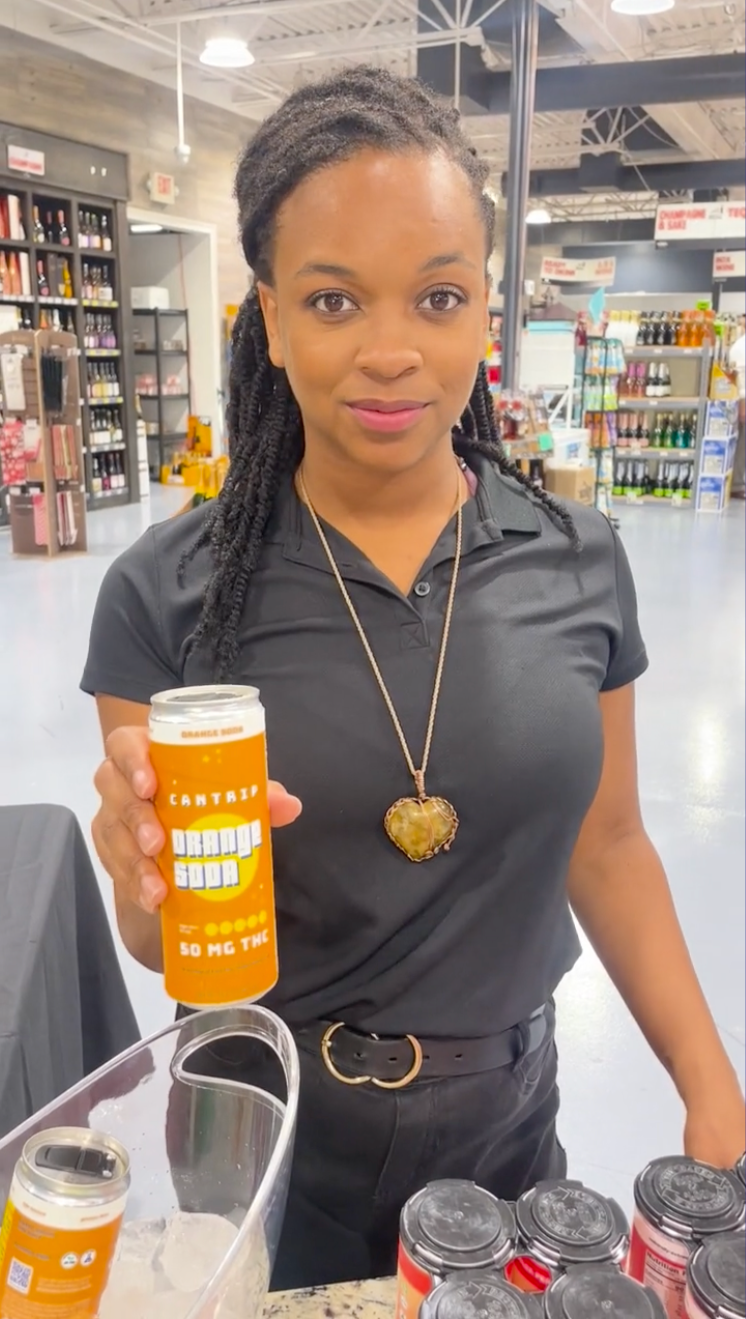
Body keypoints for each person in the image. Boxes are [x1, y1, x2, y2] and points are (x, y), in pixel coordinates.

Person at [82, 67, 745, 1289]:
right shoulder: (168, 592)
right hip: (259, 1124)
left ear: (482, 308)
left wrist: (712, 1086)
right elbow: (160, 930)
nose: (390, 353)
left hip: (505, 1119)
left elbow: (607, 844)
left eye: (437, 296)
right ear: (269, 317)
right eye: (332, 300)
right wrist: (139, 867)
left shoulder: (576, 558)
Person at [729, 323, 745, 499]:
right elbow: (741, 379)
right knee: (742, 444)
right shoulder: (741, 347)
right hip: (743, 401)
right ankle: (736, 485)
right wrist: (743, 405)